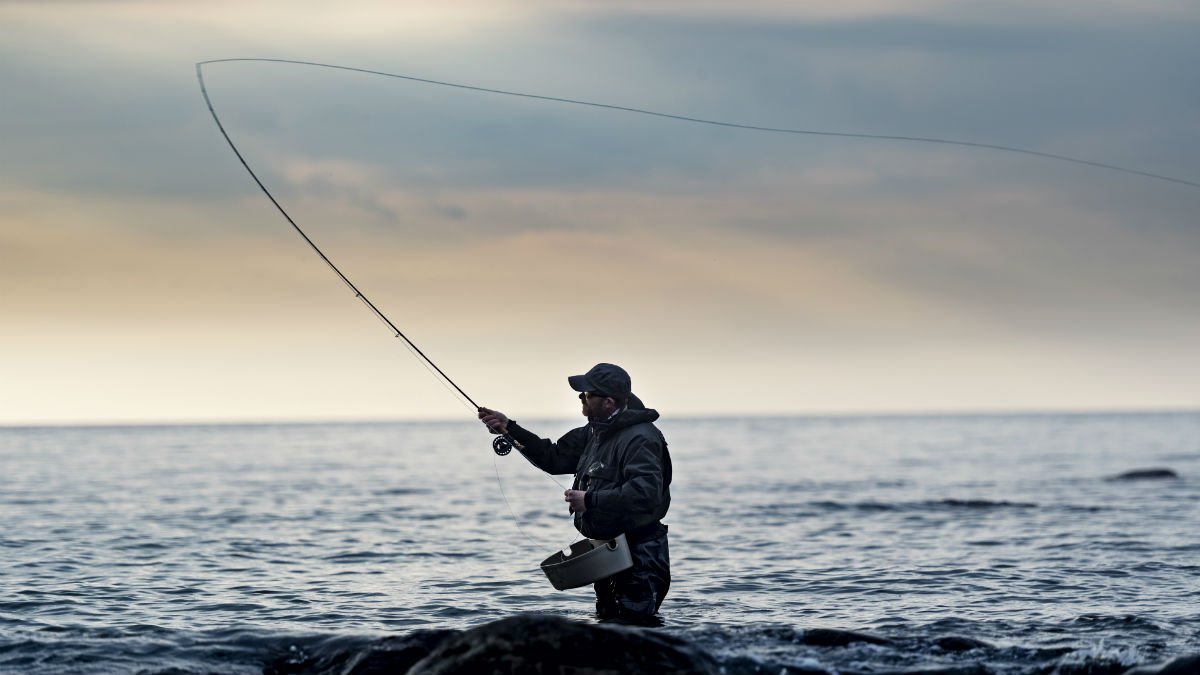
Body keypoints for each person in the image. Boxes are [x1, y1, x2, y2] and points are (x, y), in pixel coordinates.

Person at [478, 363, 672, 623]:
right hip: (608, 553)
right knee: (608, 628)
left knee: (636, 630)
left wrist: (589, 500)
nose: (581, 398)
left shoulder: (640, 438)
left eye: (587, 394)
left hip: (640, 557)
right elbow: (554, 458)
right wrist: (509, 428)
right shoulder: (594, 432)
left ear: (609, 402)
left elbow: (646, 492)